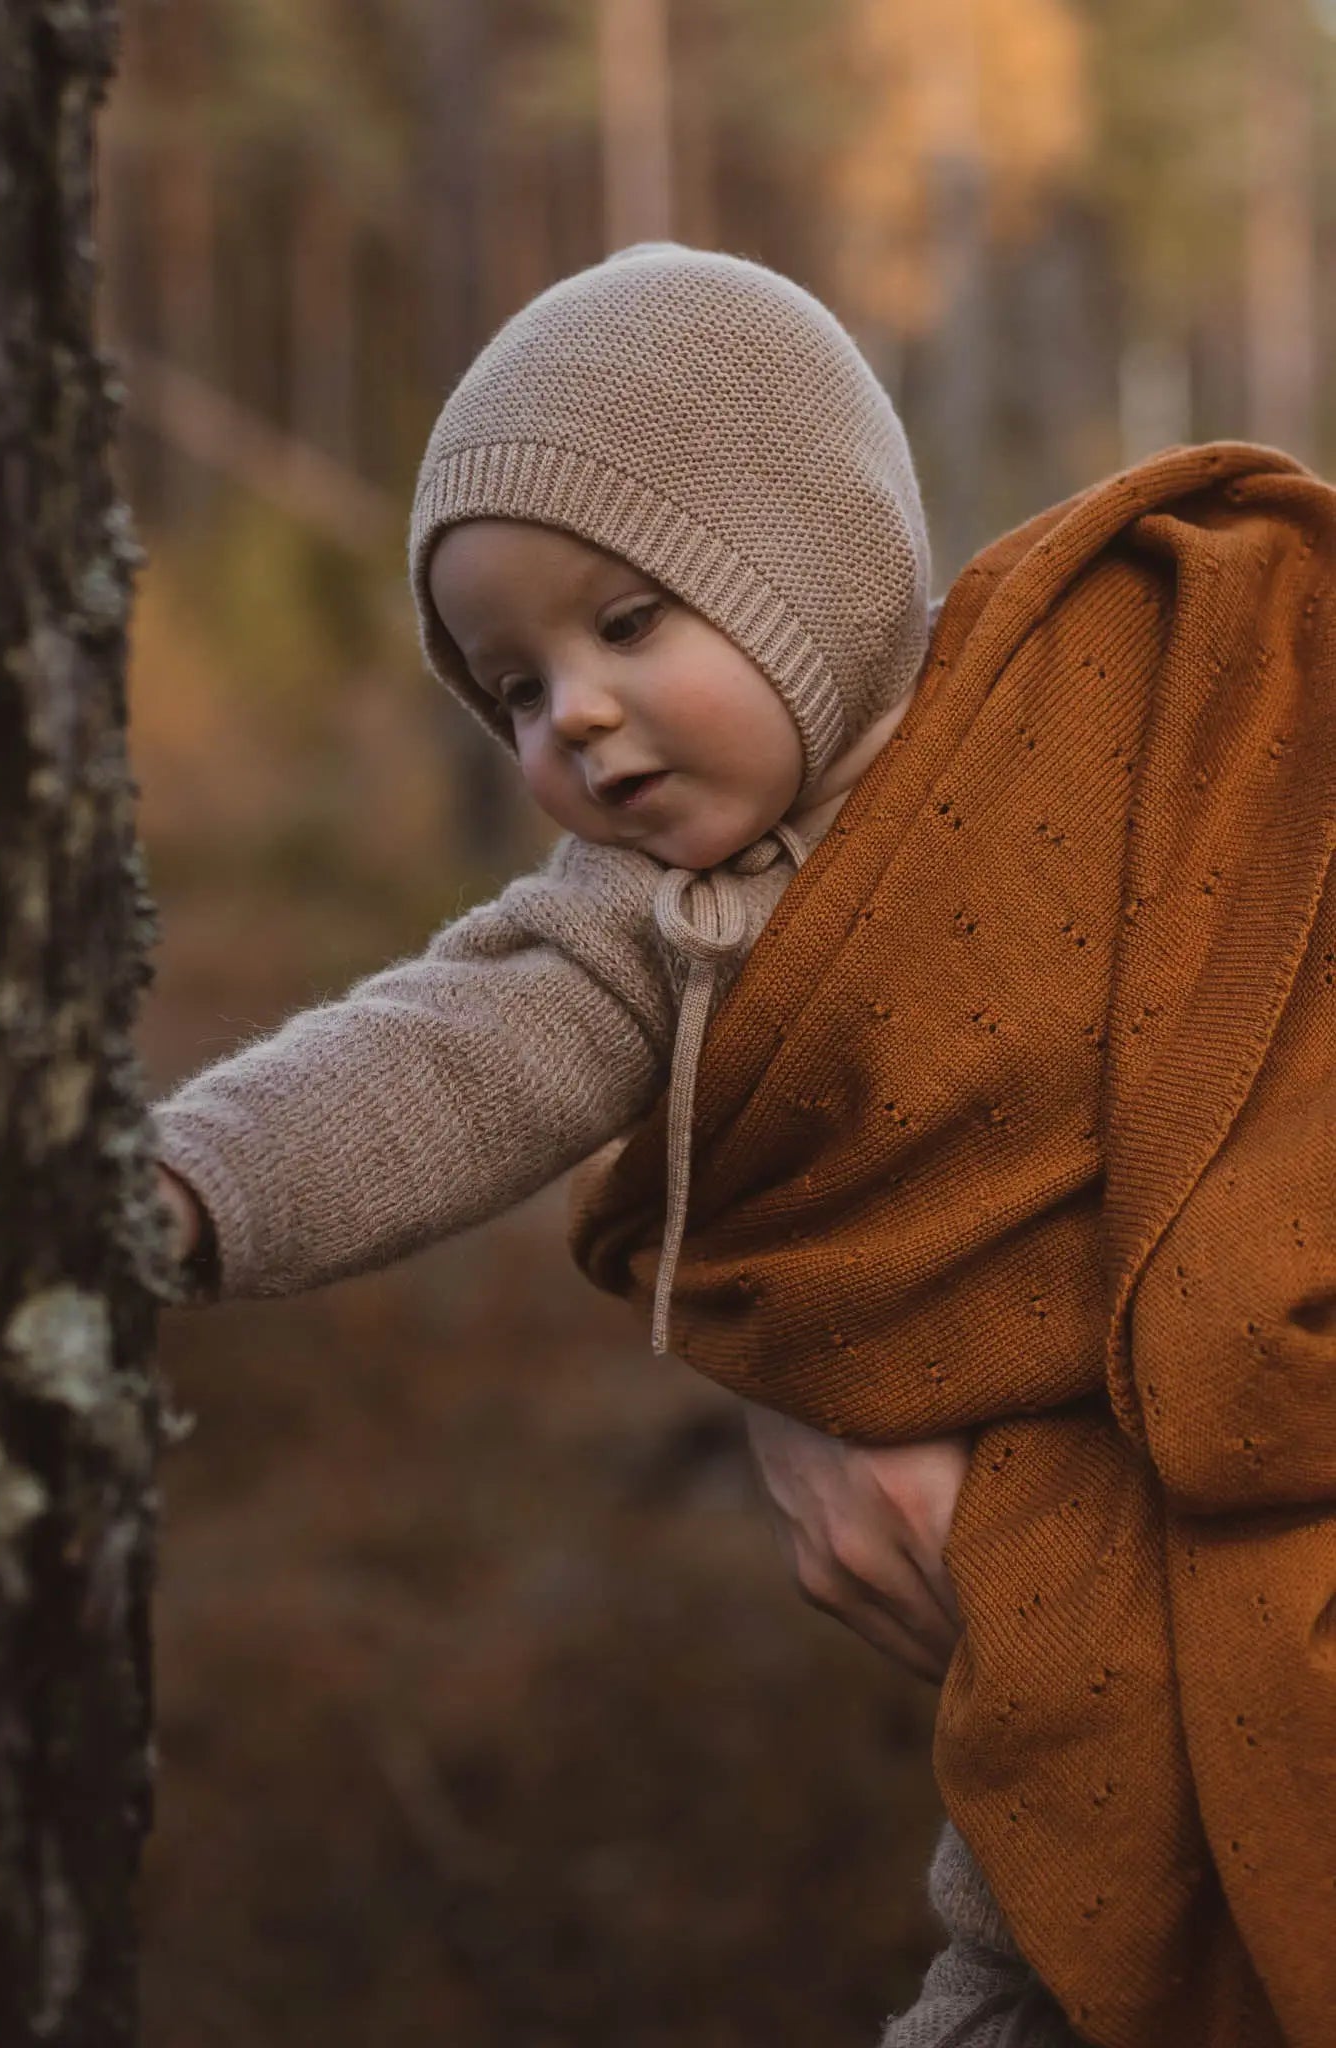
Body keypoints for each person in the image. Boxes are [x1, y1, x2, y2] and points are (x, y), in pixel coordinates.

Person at [147, 243, 1162, 2048]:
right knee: (1039, 1923)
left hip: (1215, 1439)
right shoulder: (654, 921)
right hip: (1035, 1615)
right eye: (512, 687)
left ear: (811, 562)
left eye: (625, 626)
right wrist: (175, 1185)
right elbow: (447, 1056)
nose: (573, 719)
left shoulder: (1074, 742)